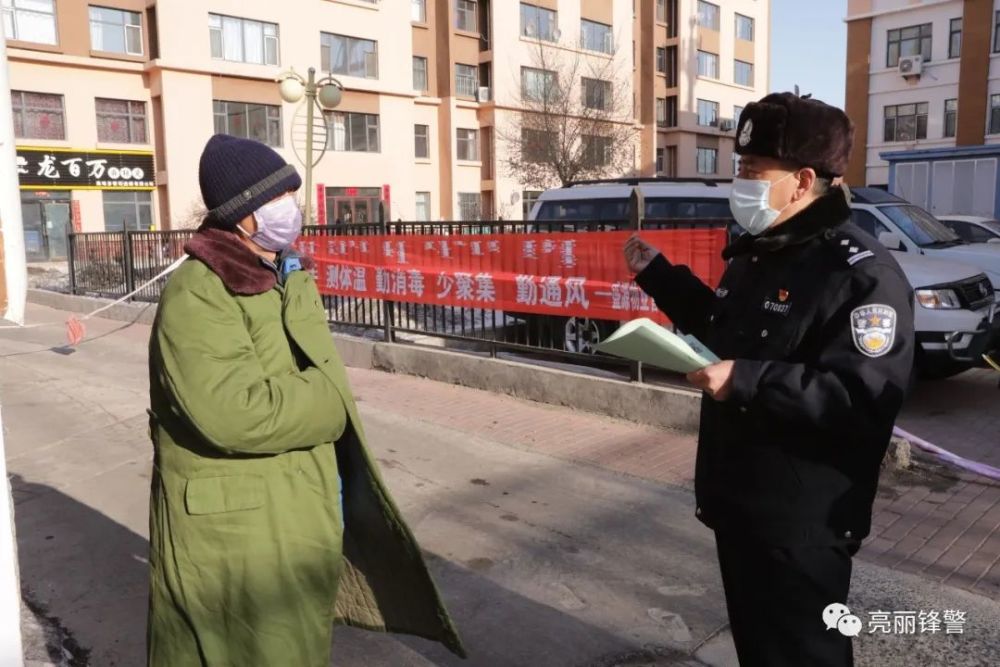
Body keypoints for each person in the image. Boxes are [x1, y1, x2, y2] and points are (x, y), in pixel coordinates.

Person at [146, 135, 464, 666]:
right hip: (238, 533)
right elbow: (234, 413)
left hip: (288, 510)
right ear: (241, 216)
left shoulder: (280, 274)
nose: (290, 208)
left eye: (291, 193)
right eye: (275, 198)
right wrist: (329, 400)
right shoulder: (202, 290)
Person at [624, 93, 914, 666]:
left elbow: (860, 398)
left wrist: (747, 382)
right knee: (759, 649)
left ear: (803, 180)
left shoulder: (859, 274)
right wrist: (659, 277)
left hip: (801, 522)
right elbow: (725, 330)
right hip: (741, 504)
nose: (742, 182)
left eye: (754, 172)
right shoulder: (761, 252)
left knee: (804, 653)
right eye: (741, 168)